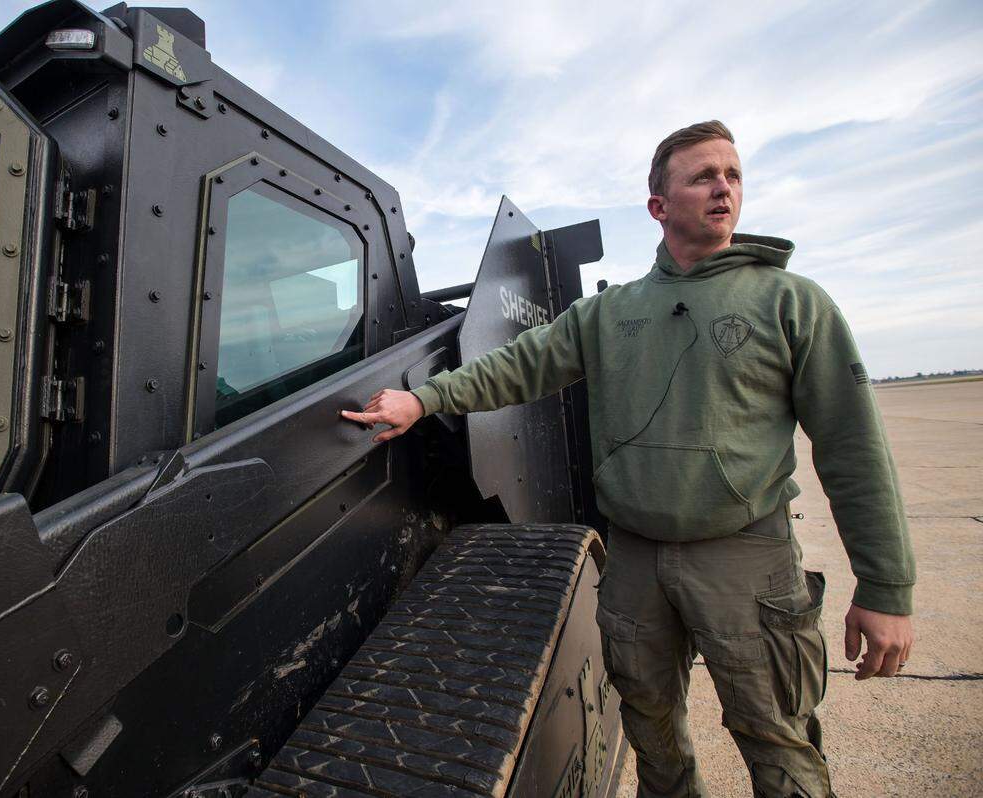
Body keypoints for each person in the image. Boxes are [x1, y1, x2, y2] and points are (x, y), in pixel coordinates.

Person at [340, 120, 916, 798]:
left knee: (776, 738)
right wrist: (425, 399)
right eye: (703, 176)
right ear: (659, 206)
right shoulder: (611, 315)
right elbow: (518, 366)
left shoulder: (791, 303)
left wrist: (886, 590)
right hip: (637, 558)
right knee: (650, 729)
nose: (723, 187)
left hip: (746, 557)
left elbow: (853, 449)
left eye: (732, 175)